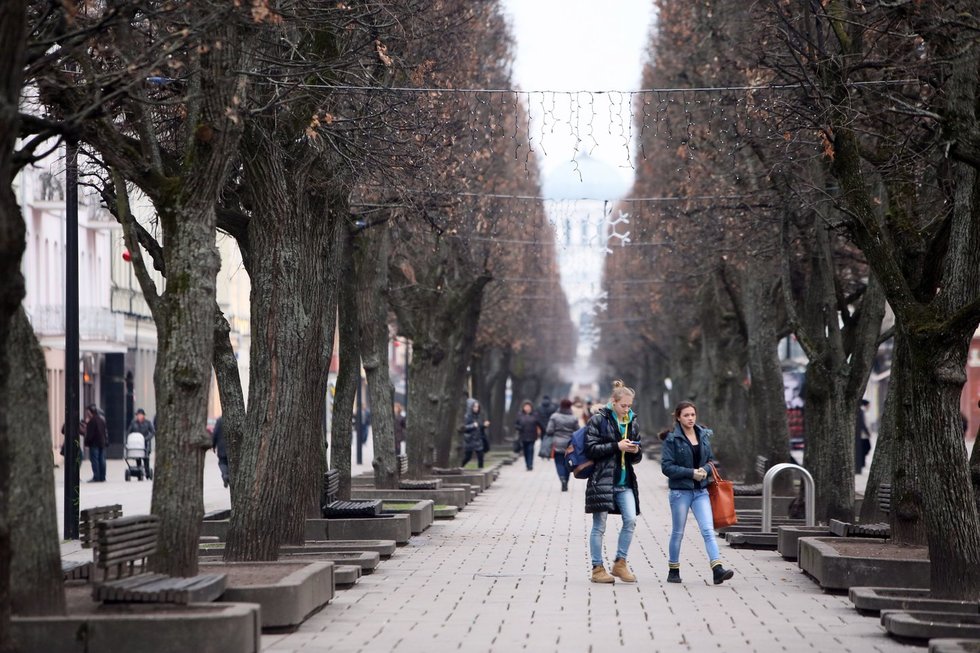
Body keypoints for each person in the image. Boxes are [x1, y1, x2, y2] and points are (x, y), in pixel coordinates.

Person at [660, 400, 735, 585]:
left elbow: (710, 461)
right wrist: (691, 473)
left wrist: (704, 470)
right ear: (678, 417)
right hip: (680, 492)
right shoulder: (672, 439)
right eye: (686, 415)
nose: (690, 418)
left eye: (692, 415)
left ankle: (717, 569)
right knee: (678, 532)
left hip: (701, 491)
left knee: (708, 530)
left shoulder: (703, 434)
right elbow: (667, 467)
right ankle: (673, 570)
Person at [585, 380, 642, 584]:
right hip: (603, 480)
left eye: (629, 406)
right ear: (613, 402)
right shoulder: (599, 420)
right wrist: (617, 446)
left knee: (631, 520)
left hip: (625, 482)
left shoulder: (632, 421)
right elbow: (591, 449)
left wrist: (635, 450)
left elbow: (636, 457)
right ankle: (597, 568)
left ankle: (620, 563)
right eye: (623, 405)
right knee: (599, 526)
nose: (626, 409)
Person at [546, 398, 578, 492]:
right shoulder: (573, 418)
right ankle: (566, 482)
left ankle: (562, 478)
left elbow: (549, 430)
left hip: (557, 443)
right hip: (569, 444)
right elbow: (578, 430)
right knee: (567, 463)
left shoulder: (554, 416)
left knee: (559, 462)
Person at [127, 408, 155, 478]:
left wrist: (146, 439)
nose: (138, 416)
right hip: (137, 444)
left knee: (146, 459)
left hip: (145, 444)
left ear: (143, 416)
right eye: (137, 415)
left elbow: (152, 432)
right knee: (138, 458)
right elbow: (129, 432)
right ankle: (139, 473)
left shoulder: (148, 423)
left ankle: (147, 473)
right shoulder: (133, 423)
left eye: (140, 415)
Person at [460, 401, 489, 469]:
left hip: (478, 440)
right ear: (471, 407)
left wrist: (484, 426)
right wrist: (472, 426)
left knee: (480, 456)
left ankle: (481, 470)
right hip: (470, 440)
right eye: (475, 407)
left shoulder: (478, 416)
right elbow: (463, 428)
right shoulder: (467, 416)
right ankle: (459, 467)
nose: (476, 408)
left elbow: (479, 427)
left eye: (477, 407)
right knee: (468, 457)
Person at [514, 400, 541, 471]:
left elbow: (539, 424)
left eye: (528, 406)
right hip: (523, 436)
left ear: (531, 407)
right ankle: (527, 464)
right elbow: (516, 424)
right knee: (525, 451)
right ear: (523, 407)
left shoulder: (535, 415)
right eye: (526, 406)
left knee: (531, 450)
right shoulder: (520, 415)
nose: (527, 408)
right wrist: (519, 427)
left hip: (532, 436)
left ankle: (530, 465)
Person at [83, 404, 107, 482]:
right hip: (102, 443)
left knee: (95, 460)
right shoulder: (101, 420)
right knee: (102, 460)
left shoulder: (92, 421)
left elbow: (90, 434)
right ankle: (102, 477)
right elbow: (105, 432)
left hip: (94, 444)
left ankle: (96, 477)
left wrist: (86, 443)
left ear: (90, 412)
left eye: (87, 412)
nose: (87, 414)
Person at [854, 399, 871, 473]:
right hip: (862, 435)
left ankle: (862, 463)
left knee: (865, 448)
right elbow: (862, 424)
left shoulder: (863, 412)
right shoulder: (861, 411)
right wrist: (867, 433)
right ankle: (861, 464)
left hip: (863, 435)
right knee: (865, 448)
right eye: (868, 405)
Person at [211, 416, 229, 488]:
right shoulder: (235, 418)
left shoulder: (219, 420)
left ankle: (225, 475)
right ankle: (228, 476)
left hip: (222, 447)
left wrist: (213, 445)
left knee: (222, 462)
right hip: (233, 445)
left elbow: (215, 434)